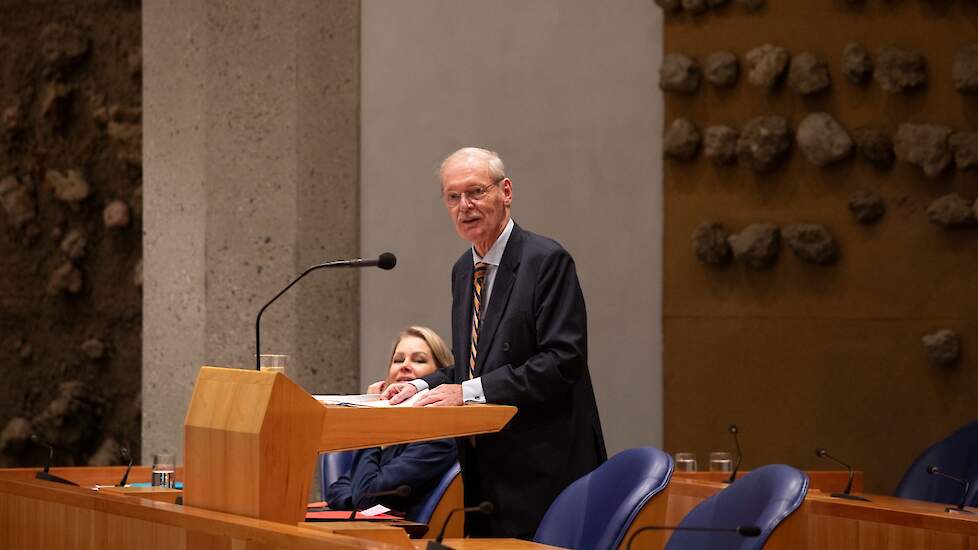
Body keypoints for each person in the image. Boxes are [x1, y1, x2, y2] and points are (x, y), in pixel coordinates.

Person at [383, 147, 607, 538]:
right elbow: (474, 367)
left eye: (476, 192)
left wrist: (466, 392)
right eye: (453, 197)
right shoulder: (463, 269)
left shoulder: (546, 261)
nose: (464, 206)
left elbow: (561, 361)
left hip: (543, 465)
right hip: (485, 467)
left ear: (505, 192)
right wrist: (419, 386)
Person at [325, 326, 457, 520]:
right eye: (398, 360)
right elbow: (336, 488)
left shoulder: (439, 437)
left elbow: (365, 496)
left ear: (440, 376)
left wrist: (371, 421)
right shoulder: (394, 433)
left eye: (419, 360)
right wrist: (353, 500)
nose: (405, 365)